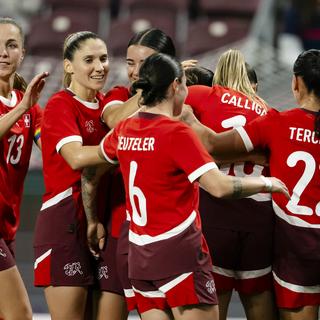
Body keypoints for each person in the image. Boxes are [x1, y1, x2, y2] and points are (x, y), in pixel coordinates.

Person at [81, 52, 289, 320]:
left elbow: (89, 172)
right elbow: (220, 187)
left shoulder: (125, 130)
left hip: (139, 256)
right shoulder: (177, 133)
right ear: (175, 87)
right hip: (179, 254)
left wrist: (91, 217)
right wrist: (266, 182)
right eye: (186, 85)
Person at [183, 49, 320, 320]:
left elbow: (211, 144)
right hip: (259, 222)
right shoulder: (267, 108)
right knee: (258, 300)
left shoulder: (275, 120)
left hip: (234, 219)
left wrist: (187, 114)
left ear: (295, 82)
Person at [97, 28, 197, 312]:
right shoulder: (116, 96)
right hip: (124, 229)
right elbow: (115, 121)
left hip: (176, 232)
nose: (136, 72)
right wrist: (154, 86)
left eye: (146, 64)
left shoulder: (184, 99)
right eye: (130, 63)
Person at [32, 31, 127, 320]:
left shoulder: (110, 107)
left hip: (104, 226)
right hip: (65, 224)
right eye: (89, 60)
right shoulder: (61, 104)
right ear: (69, 66)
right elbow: (75, 158)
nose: (100, 67)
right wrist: (122, 144)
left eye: (103, 58)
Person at [185, 49, 277, 320]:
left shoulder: (204, 94)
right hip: (260, 215)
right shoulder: (270, 111)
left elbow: (164, 97)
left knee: (214, 303)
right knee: (259, 298)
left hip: (215, 209)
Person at [0, 17, 48, 320]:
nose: (3, 53)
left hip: (7, 227)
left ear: (23, 53)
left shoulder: (32, 107)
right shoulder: (25, 106)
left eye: (11, 45)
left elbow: (58, 153)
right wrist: (21, 107)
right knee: (19, 314)